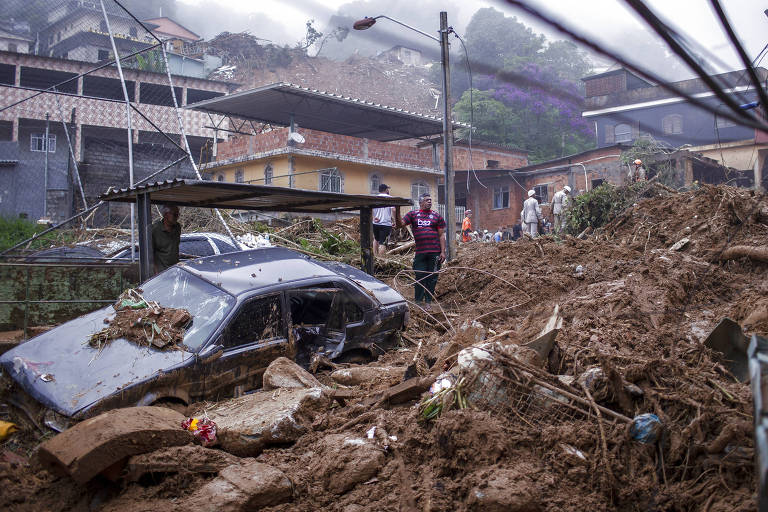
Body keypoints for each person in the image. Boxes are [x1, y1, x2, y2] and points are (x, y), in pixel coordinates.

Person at [395, 192, 446, 308]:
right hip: (420, 253)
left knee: (432, 277)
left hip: (435, 253)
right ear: (420, 202)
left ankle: (428, 302)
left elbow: (441, 235)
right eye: (427, 200)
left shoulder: (436, 216)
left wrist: (443, 252)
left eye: (430, 200)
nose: (430, 202)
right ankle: (418, 302)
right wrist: (397, 209)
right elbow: (399, 225)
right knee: (419, 276)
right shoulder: (413, 215)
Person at [151, 204, 181, 274]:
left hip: (175, 269)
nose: (176, 217)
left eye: (178, 215)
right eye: (174, 215)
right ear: (165, 214)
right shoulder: (155, 229)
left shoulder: (177, 227)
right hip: (161, 271)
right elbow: (150, 254)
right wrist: (156, 273)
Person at [372, 183, 394, 257]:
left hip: (375, 223)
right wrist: (395, 221)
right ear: (386, 189)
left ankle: (375, 257)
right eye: (388, 189)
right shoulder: (390, 198)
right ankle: (380, 259)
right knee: (383, 242)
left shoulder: (374, 198)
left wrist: (373, 218)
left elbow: (370, 209)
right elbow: (393, 210)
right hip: (386, 224)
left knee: (376, 239)